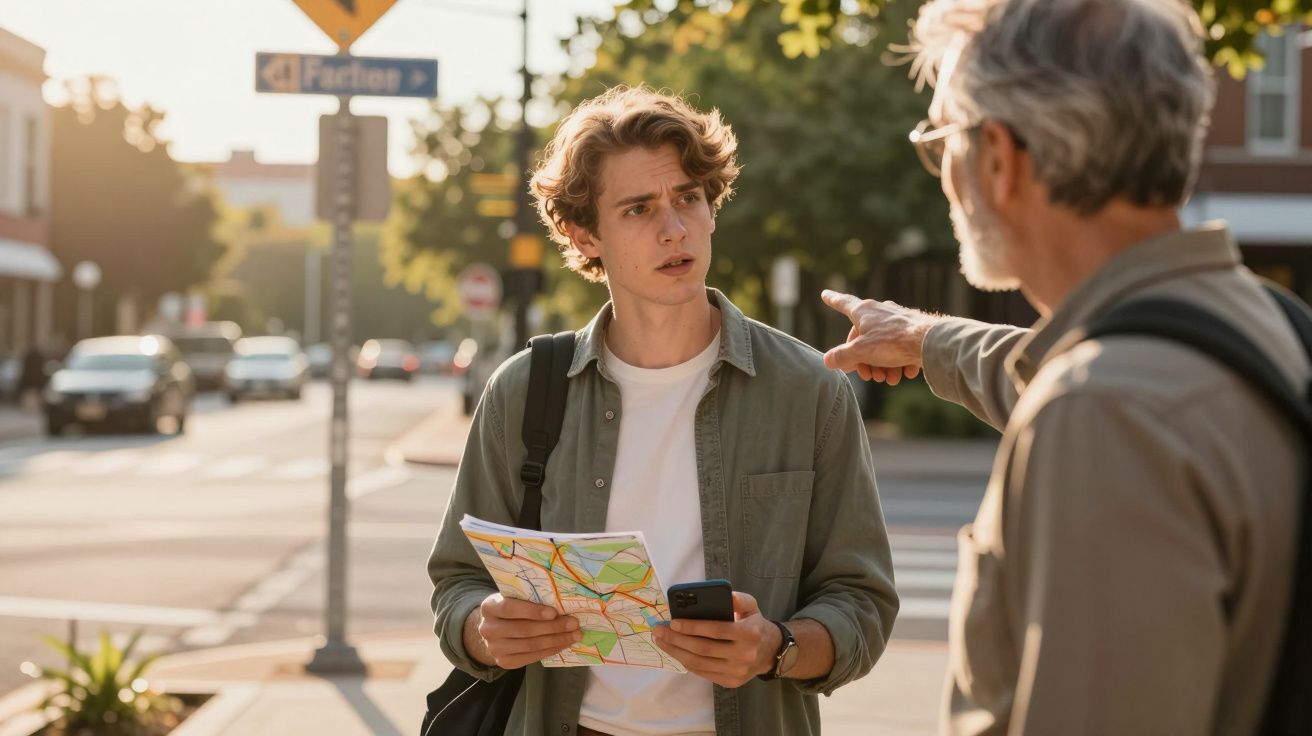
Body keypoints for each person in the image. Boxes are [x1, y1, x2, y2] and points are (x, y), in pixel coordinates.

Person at [821, 0, 1311, 733]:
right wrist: (926, 338)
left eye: (942, 140)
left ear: (999, 158)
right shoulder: (1272, 324)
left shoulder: (1104, 412)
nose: (943, 172)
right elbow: (1062, 365)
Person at [427, 86, 897, 736]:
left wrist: (777, 647)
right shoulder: (524, 391)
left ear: (711, 207)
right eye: (639, 208)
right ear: (582, 234)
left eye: (688, 198)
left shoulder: (808, 389)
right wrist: (484, 629)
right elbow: (457, 582)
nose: (673, 228)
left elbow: (862, 601)